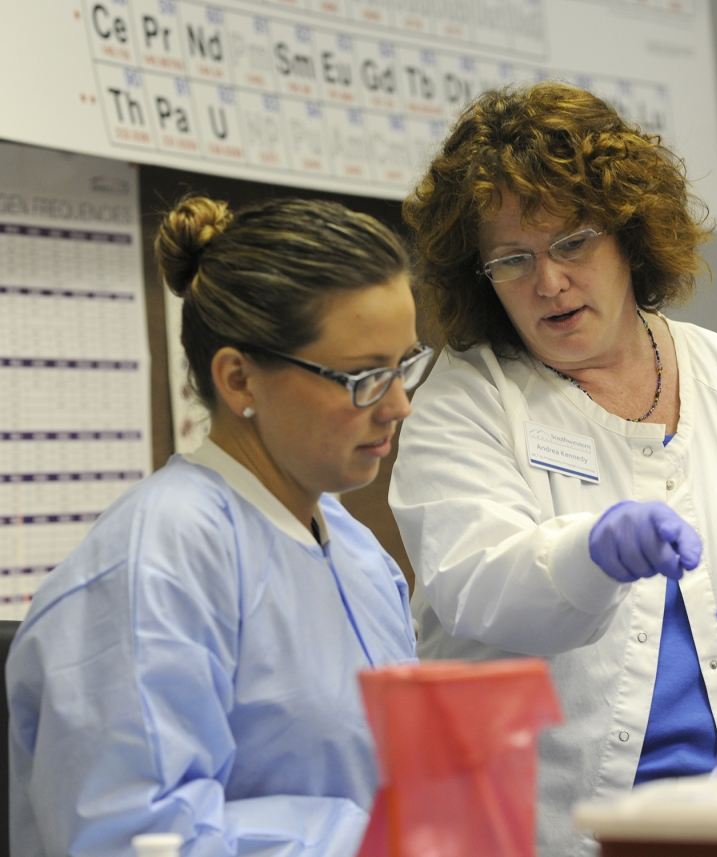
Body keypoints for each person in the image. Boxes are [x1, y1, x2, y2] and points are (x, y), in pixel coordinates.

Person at [389, 81, 717, 857]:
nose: (547, 282)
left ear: (629, 231)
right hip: (551, 830)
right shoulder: (468, 401)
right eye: (512, 260)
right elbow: (477, 585)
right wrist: (587, 556)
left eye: (572, 244)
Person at [8, 196, 433, 856]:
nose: (399, 405)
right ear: (239, 379)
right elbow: (130, 837)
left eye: (404, 365)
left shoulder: (355, 550)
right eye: (364, 377)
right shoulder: (159, 560)